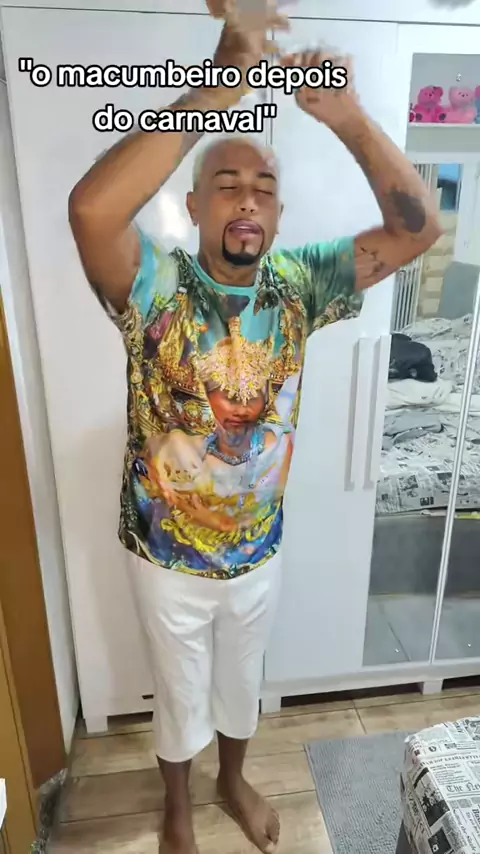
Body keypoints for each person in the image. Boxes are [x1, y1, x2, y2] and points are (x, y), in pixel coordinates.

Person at [68, 3, 442, 852]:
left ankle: (232, 781)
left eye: (264, 189)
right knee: (178, 688)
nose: (248, 198)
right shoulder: (155, 284)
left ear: (277, 217)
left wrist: (347, 117)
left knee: (241, 682)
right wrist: (220, 81)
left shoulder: (299, 283)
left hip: (258, 545)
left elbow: (418, 229)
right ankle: (176, 805)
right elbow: (91, 211)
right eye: (228, 185)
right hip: (163, 551)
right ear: (195, 206)